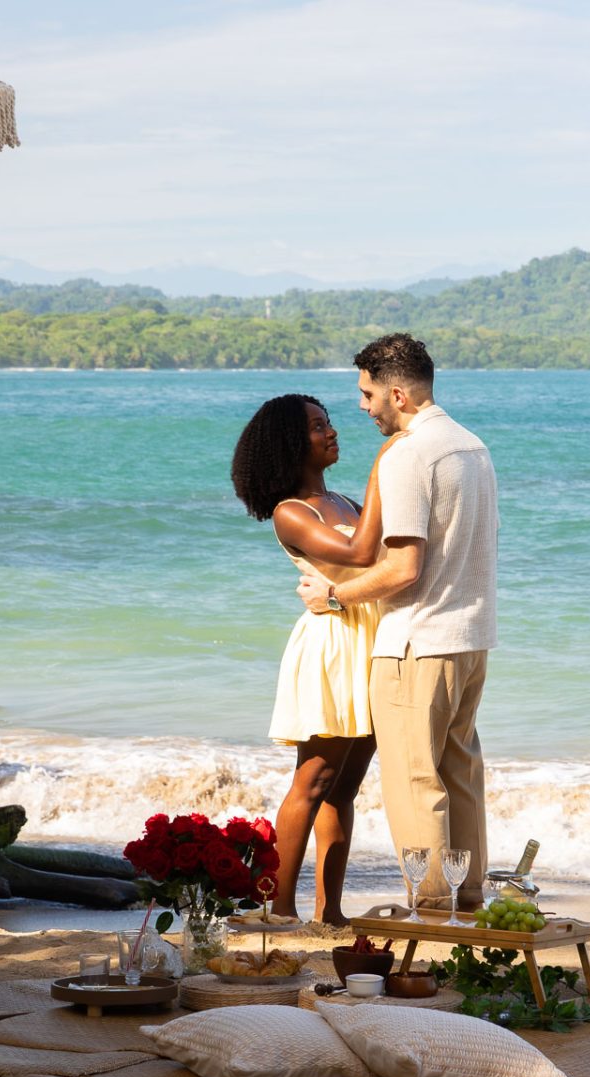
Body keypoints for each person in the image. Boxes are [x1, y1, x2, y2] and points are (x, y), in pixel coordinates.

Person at [298, 334, 498, 911]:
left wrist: (335, 595)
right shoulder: (472, 446)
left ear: (397, 393)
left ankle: (432, 910)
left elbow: (404, 567)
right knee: (459, 776)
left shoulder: (410, 454)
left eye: (366, 394)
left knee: (415, 784)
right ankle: (470, 902)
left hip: (418, 641)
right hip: (472, 640)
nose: (362, 407)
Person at [231, 393, 401, 926]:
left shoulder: (348, 502)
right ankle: (278, 908)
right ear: (289, 444)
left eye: (327, 423)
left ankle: (330, 912)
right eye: (317, 427)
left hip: (371, 638)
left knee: (343, 789)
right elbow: (360, 555)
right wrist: (386, 464)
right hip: (334, 645)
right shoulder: (291, 513)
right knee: (313, 780)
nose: (332, 433)